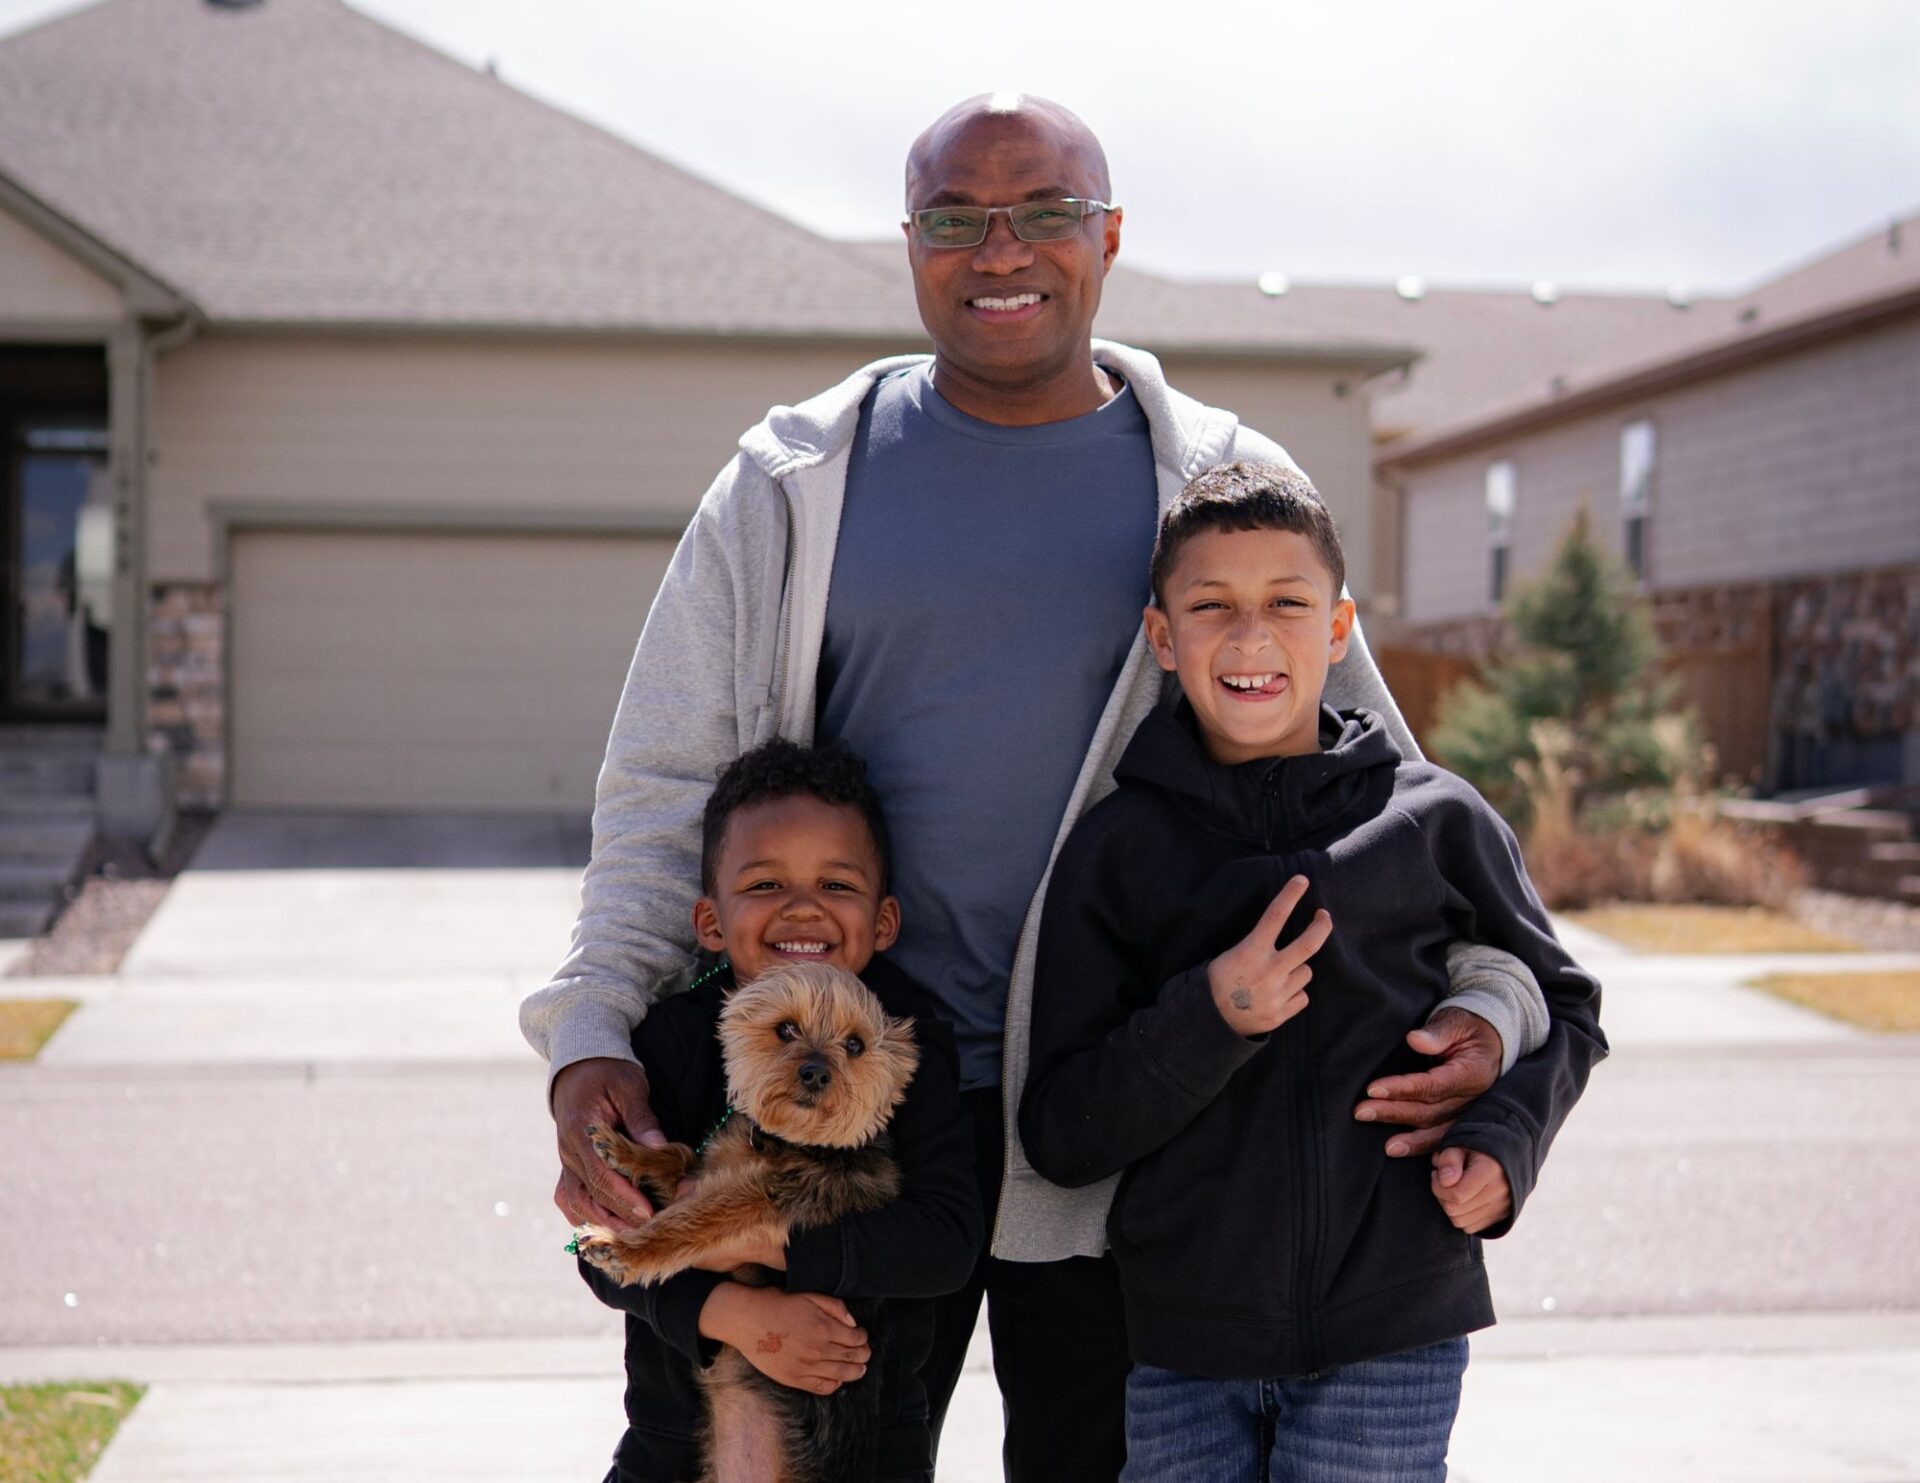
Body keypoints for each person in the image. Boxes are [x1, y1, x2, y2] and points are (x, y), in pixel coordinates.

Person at [522, 93, 1549, 1481]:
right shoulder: (791, 487)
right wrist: (594, 1027)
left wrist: (1488, 1016)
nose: (999, 247)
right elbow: (665, 789)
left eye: (1046, 210)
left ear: (1109, 235)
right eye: (955, 216)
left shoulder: (1229, 491)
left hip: (1138, 1124)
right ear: (912, 246)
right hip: (850, 1127)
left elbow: (1378, 807)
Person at [1020, 462, 1607, 1482]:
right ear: (1163, 638)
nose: (1251, 639)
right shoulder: (1118, 850)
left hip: (1395, 1332)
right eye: (1212, 607)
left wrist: (1504, 1138)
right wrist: (1210, 1017)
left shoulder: (1433, 820)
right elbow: (1061, 1132)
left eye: (1286, 604)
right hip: (1180, 1344)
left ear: (1338, 631)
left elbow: (1565, 1003)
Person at [578, 738, 981, 1483]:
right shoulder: (673, 1039)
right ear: (710, 920)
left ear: (884, 920)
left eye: (836, 883)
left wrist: (774, 1243)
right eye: (765, 884)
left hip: (862, 1450)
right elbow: (601, 1252)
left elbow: (947, 1242)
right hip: (677, 1444)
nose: (803, 907)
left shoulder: (903, 1042)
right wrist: (729, 1312)